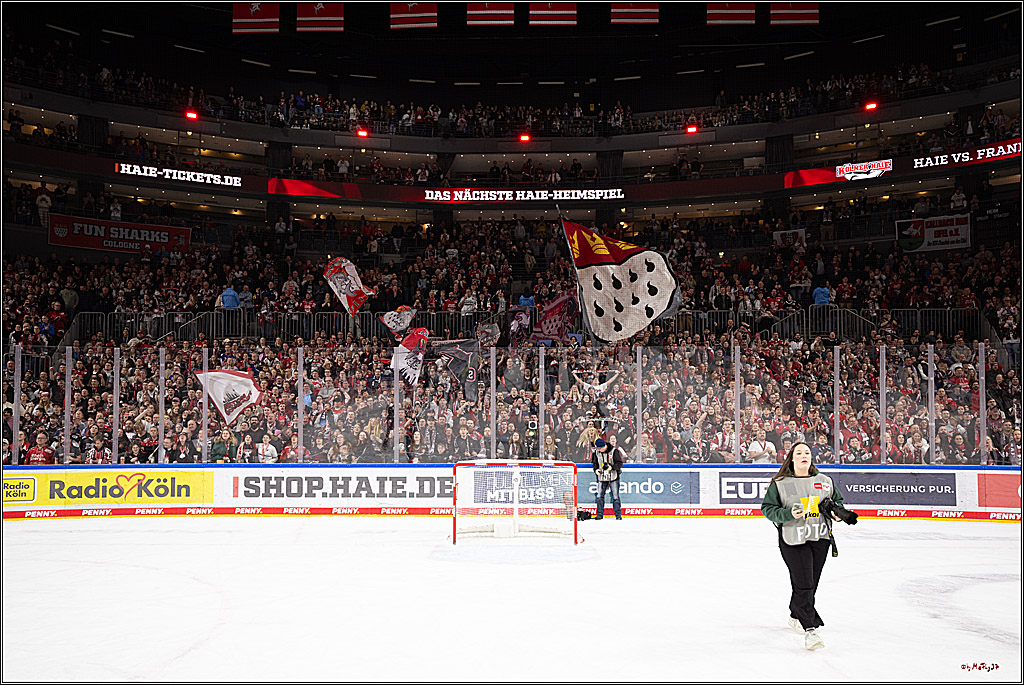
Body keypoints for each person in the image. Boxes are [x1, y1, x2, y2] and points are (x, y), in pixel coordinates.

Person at [760, 442, 845, 651]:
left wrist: (837, 513)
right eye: (799, 453)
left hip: (820, 537)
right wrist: (788, 514)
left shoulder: (824, 481)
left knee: (810, 583)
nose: (804, 455)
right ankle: (810, 629)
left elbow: (838, 502)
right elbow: (768, 509)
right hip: (793, 539)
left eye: (807, 452)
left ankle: (795, 614)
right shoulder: (780, 484)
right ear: (792, 458)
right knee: (804, 582)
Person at [590, 438, 623, 520]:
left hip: (613, 477)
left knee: (615, 496)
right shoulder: (596, 453)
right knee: (599, 496)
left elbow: (619, 463)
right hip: (602, 477)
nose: (598, 450)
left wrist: (612, 468)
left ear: (604, 446)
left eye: (600, 448)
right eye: (597, 449)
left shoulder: (614, 451)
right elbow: (594, 463)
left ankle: (618, 514)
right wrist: (596, 469)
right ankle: (599, 514)